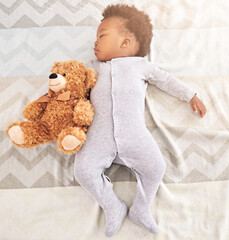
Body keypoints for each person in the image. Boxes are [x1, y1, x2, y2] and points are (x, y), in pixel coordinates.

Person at [73, 4, 207, 237]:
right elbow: (73, 86)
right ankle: (113, 206)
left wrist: (190, 95)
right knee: (83, 171)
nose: (95, 42)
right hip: (98, 137)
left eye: (101, 36)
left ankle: (141, 209)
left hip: (134, 135)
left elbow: (166, 80)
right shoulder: (91, 68)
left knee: (156, 167)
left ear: (125, 42)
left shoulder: (140, 66)